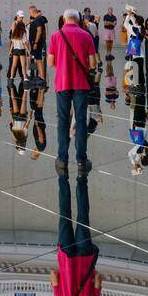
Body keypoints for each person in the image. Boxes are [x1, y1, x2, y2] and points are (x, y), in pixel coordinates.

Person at [49, 9, 98, 174]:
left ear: (64, 19)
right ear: (78, 20)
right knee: (81, 120)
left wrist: (62, 66)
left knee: (63, 120)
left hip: (62, 83)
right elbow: (92, 63)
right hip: (81, 83)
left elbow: (50, 62)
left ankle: (62, 159)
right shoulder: (86, 35)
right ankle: (81, 160)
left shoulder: (56, 36)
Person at [50, 168, 101, 296]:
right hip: (66, 255)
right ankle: (63, 176)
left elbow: (98, 277)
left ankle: (81, 176)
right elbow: (53, 275)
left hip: (85, 256)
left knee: (83, 216)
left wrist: (88, 272)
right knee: (64, 213)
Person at [28, 6, 48, 85]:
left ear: (33, 11)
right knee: (35, 58)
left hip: (37, 43)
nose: (30, 14)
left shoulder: (39, 19)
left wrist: (35, 43)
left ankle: (42, 78)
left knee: (39, 59)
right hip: (34, 43)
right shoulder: (36, 19)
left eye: (30, 12)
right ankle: (37, 76)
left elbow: (39, 31)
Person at [8, 12, 29, 80]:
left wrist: (10, 51)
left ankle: (11, 77)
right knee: (23, 65)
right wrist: (29, 51)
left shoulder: (14, 35)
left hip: (15, 50)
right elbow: (25, 44)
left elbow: (12, 43)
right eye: (21, 17)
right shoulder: (23, 34)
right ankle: (25, 77)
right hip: (21, 50)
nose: (22, 18)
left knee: (13, 65)